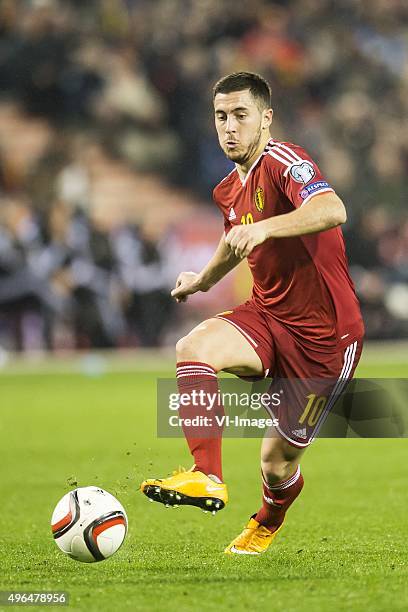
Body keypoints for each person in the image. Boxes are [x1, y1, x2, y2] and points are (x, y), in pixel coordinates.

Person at [140, 72, 364, 555]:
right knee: (193, 348)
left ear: (266, 119)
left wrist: (265, 230)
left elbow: (332, 207)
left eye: (241, 115)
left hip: (326, 341)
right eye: (221, 117)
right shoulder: (226, 189)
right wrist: (202, 279)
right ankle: (207, 477)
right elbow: (233, 237)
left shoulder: (286, 160)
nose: (230, 127)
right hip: (267, 315)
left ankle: (266, 520)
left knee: (276, 466)